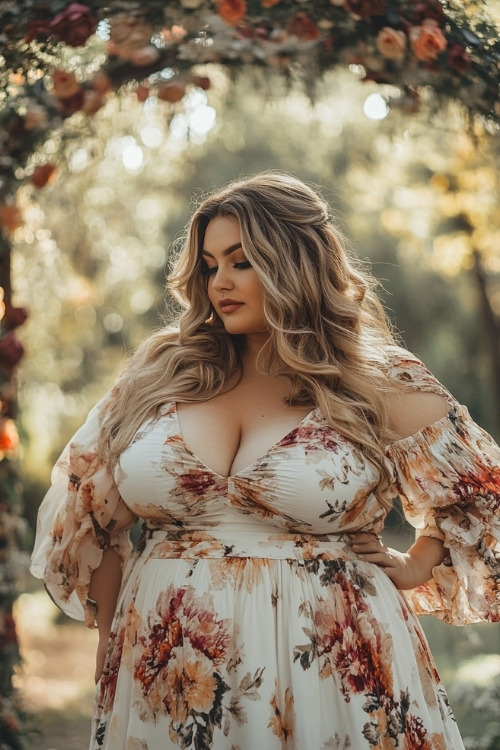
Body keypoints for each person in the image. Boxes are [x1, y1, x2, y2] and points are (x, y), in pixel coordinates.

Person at [31, 171, 499, 750]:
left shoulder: (374, 379)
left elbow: (479, 493)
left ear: (294, 262)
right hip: (167, 668)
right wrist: (109, 644)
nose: (220, 282)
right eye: (208, 266)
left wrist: (417, 564)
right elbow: (93, 517)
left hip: (332, 670)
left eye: (240, 261)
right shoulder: (161, 373)